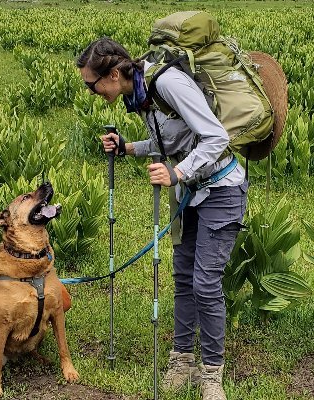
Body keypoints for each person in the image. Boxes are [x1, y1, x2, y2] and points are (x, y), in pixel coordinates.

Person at [76, 37, 248, 400]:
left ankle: (211, 374)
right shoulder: (138, 95)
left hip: (222, 189)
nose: (91, 92)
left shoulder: (167, 83)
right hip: (192, 192)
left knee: (205, 282)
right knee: (183, 278)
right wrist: (128, 148)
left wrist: (177, 174)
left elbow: (215, 137)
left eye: (91, 85)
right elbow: (171, 141)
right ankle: (181, 361)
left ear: (111, 74)